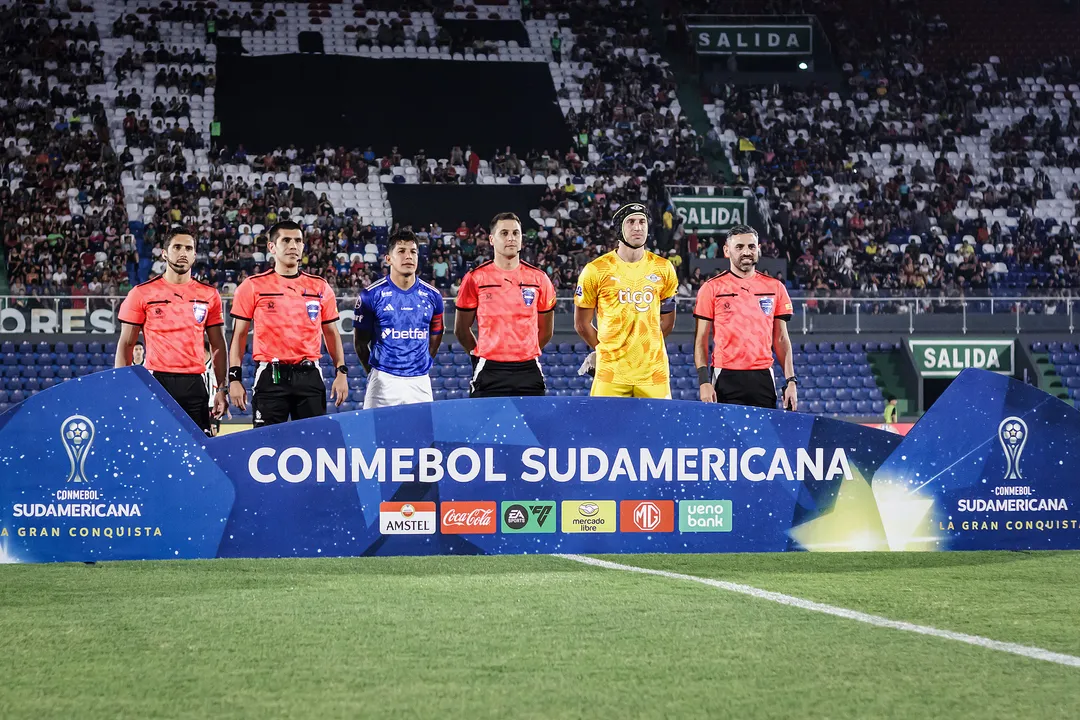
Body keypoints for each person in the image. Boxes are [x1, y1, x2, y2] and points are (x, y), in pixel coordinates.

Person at [228, 221, 348, 427]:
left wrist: (341, 372)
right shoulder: (252, 286)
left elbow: (331, 333)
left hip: (309, 375)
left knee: (314, 447)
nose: (293, 245)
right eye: (286, 240)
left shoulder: (320, 287)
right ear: (272, 247)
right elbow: (239, 335)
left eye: (298, 241)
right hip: (270, 376)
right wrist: (234, 379)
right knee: (266, 446)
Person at [115, 229, 228, 436]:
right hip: (156, 382)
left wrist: (222, 389)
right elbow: (126, 344)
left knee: (199, 453)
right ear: (164, 253)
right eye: (177, 247)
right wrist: (122, 387)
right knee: (155, 449)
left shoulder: (209, 295)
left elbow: (218, 345)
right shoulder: (141, 293)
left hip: (195, 383)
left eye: (188, 248)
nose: (183, 252)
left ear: (195, 255)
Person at [573, 203, 678, 398]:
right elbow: (581, 323)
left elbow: (668, 321)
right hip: (610, 373)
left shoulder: (664, 268)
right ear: (619, 228)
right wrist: (606, 350)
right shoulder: (595, 270)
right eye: (631, 222)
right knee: (606, 428)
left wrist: (641, 349)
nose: (638, 227)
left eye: (642, 222)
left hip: (653, 373)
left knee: (657, 429)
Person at [693, 224, 797, 410]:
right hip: (725, 377)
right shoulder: (711, 288)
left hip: (763, 377)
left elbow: (781, 338)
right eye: (739, 247)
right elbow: (701, 340)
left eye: (751, 246)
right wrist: (704, 382)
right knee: (726, 439)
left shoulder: (775, 288)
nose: (746, 252)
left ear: (758, 249)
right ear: (727, 251)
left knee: (763, 439)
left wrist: (791, 381)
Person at [454, 212, 556, 397]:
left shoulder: (539, 279)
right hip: (489, 370)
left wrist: (523, 352)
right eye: (504, 233)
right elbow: (461, 330)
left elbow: (546, 331)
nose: (511, 238)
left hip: (529, 370)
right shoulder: (475, 278)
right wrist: (481, 356)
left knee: (532, 426)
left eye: (516, 233)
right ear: (492, 239)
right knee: (485, 427)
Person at [354, 230, 444, 408]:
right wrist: (374, 372)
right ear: (388, 259)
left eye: (413, 252)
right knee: (378, 436)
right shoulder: (371, 294)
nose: (408, 256)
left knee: (423, 436)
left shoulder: (433, 295)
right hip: (383, 381)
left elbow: (436, 335)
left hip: (419, 382)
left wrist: (422, 363)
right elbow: (360, 343)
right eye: (401, 251)